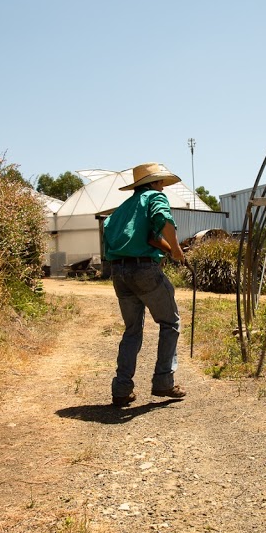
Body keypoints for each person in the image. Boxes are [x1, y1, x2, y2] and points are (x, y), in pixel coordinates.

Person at [103, 162, 187, 407]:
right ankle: (163, 382)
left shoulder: (122, 209)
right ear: (156, 182)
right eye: (162, 183)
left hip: (118, 271)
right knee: (170, 322)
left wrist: (169, 250)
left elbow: (149, 237)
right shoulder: (154, 198)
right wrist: (178, 250)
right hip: (143, 270)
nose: (163, 188)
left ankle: (121, 389)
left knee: (132, 330)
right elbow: (164, 221)